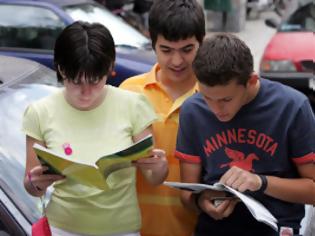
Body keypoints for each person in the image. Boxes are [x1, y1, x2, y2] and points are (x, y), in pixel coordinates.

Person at [22, 21, 168, 236]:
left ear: (109, 69)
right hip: (62, 228)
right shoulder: (39, 112)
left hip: (122, 229)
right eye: (75, 81)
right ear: (61, 69)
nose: (86, 92)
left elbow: (154, 178)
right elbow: (32, 187)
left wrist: (160, 167)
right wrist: (35, 182)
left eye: (95, 81)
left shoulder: (133, 105)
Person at [175, 33, 315, 236]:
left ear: (251, 81)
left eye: (226, 99)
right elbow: (187, 195)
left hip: (276, 228)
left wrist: (260, 182)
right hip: (215, 228)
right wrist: (202, 201)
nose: (216, 109)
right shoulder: (192, 110)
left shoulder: (292, 106)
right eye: (207, 98)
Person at [120, 0, 206, 235]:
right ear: (152, 42)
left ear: (202, 42)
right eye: (166, 50)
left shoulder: (215, 97)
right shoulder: (129, 91)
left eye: (187, 49)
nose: (177, 61)